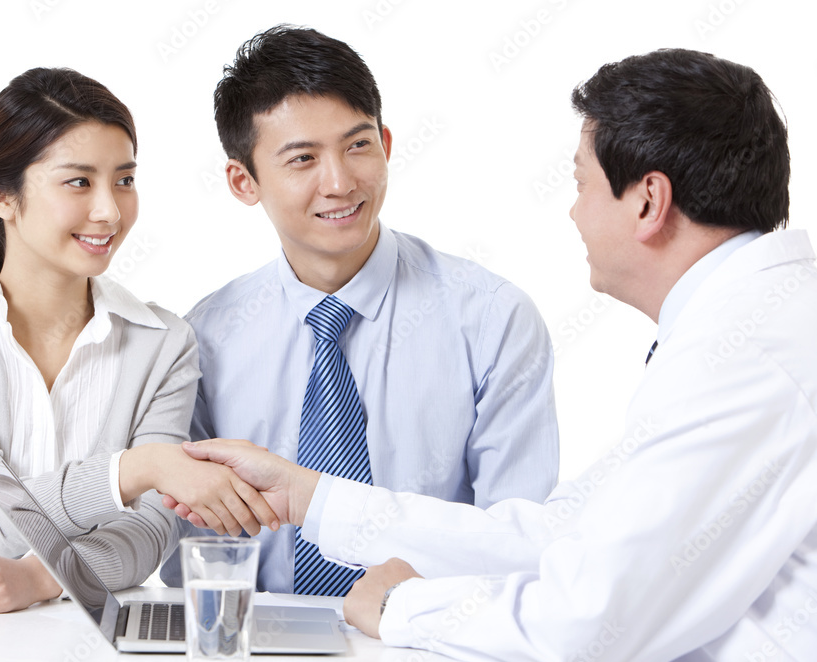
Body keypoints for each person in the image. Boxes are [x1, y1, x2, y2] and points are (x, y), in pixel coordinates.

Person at [169, 48, 817, 662]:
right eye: (302, 157)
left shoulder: (743, 355)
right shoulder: (750, 328)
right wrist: (309, 497)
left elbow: (590, 620)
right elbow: (558, 535)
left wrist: (400, 603)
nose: (573, 212)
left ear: (648, 201)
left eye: (582, 184)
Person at [159, 25, 560, 595]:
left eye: (358, 145)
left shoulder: (492, 319)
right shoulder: (205, 335)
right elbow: (191, 554)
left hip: (432, 642)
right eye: (302, 159)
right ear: (243, 181)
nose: (341, 183)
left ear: (387, 144)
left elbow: (522, 546)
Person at [0, 67, 276, 614]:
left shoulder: (163, 343)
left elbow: (152, 532)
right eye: (79, 181)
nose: (110, 211)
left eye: (124, 179)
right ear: (2, 195)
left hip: (91, 624)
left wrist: (42, 578)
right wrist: (142, 467)